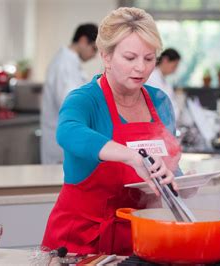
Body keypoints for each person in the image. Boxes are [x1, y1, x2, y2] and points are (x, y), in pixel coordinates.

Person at [42, 7, 180, 255]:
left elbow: (170, 163)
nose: (141, 68)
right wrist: (131, 156)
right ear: (106, 56)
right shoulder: (85, 99)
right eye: (130, 58)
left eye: (149, 59)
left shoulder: (160, 101)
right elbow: (68, 132)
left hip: (138, 240)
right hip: (79, 243)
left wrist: (179, 181)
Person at [40, 23, 98, 164]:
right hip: (60, 142)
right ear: (83, 40)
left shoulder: (71, 63)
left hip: (67, 137)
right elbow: (69, 104)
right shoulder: (64, 64)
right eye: (94, 49)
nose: (94, 55)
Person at [146, 48, 181, 119]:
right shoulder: (152, 78)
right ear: (165, 60)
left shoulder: (164, 80)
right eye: (174, 66)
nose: (175, 70)